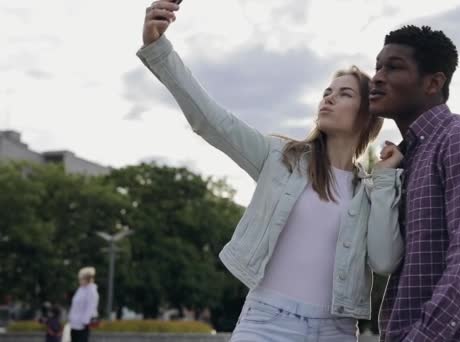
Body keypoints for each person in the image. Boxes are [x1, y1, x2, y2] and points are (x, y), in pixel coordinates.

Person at [137, 1, 405, 340]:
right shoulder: (281, 158)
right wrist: (158, 49)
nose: (329, 99)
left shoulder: (369, 191)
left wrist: (384, 179)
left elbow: (384, 261)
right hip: (266, 322)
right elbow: (210, 119)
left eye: (344, 94)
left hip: (334, 330)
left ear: (367, 115)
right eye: (327, 92)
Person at [369, 25, 460, 341]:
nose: (378, 77)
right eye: (378, 67)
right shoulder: (408, 156)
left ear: (434, 82)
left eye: (393, 67)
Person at [68, 267, 99, 342]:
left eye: (81, 278)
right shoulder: (81, 289)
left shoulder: (91, 291)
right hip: (74, 324)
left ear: (87, 279)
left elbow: (90, 308)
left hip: (82, 325)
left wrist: (85, 321)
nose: (79, 281)